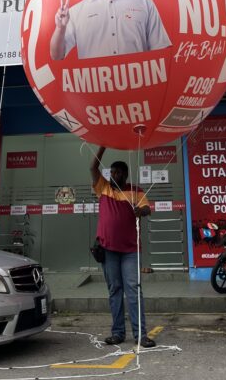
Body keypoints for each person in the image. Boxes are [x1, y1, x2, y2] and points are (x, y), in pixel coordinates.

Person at [91, 145, 156, 348]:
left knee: (134, 290)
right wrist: (101, 147)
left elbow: (147, 208)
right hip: (108, 249)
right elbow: (93, 168)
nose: (114, 175)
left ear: (125, 174)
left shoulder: (135, 190)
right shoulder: (104, 187)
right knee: (115, 290)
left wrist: (141, 211)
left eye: (118, 172)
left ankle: (140, 335)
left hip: (130, 250)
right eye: (112, 172)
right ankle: (118, 333)